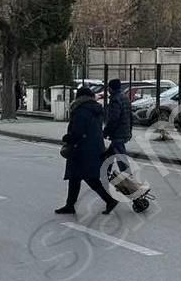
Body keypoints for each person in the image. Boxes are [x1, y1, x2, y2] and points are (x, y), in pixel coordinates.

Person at [57, 86, 116, 215]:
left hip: (82, 149)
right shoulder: (96, 109)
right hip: (94, 146)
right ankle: (70, 205)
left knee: (90, 178)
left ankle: (109, 200)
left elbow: (78, 131)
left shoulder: (81, 110)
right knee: (75, 177)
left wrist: (68, 138)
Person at [104, 78, 133, 157]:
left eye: (108, 88)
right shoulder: (125, 97)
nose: (108, 90)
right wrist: (130, 130)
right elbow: (130, 116)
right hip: (124, 130)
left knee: (121, 157)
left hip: (118, 133)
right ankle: (105, 169)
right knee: (109, 155)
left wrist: (106, 132)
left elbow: (114, 119)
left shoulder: (115, 99)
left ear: (111, 88)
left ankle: (125, 170)